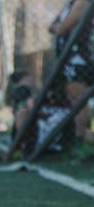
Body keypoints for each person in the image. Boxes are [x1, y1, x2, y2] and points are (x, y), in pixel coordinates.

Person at [50, 0, 94, 144]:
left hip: (79, 59)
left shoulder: (83, 2)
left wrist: (59, 27)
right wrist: (58, 27)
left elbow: (63, 28)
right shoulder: (70, 3)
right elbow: (52, 26)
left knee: (79, 101)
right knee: (73, 99)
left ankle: (81, 138)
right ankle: (79, 137)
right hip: (67, 58)